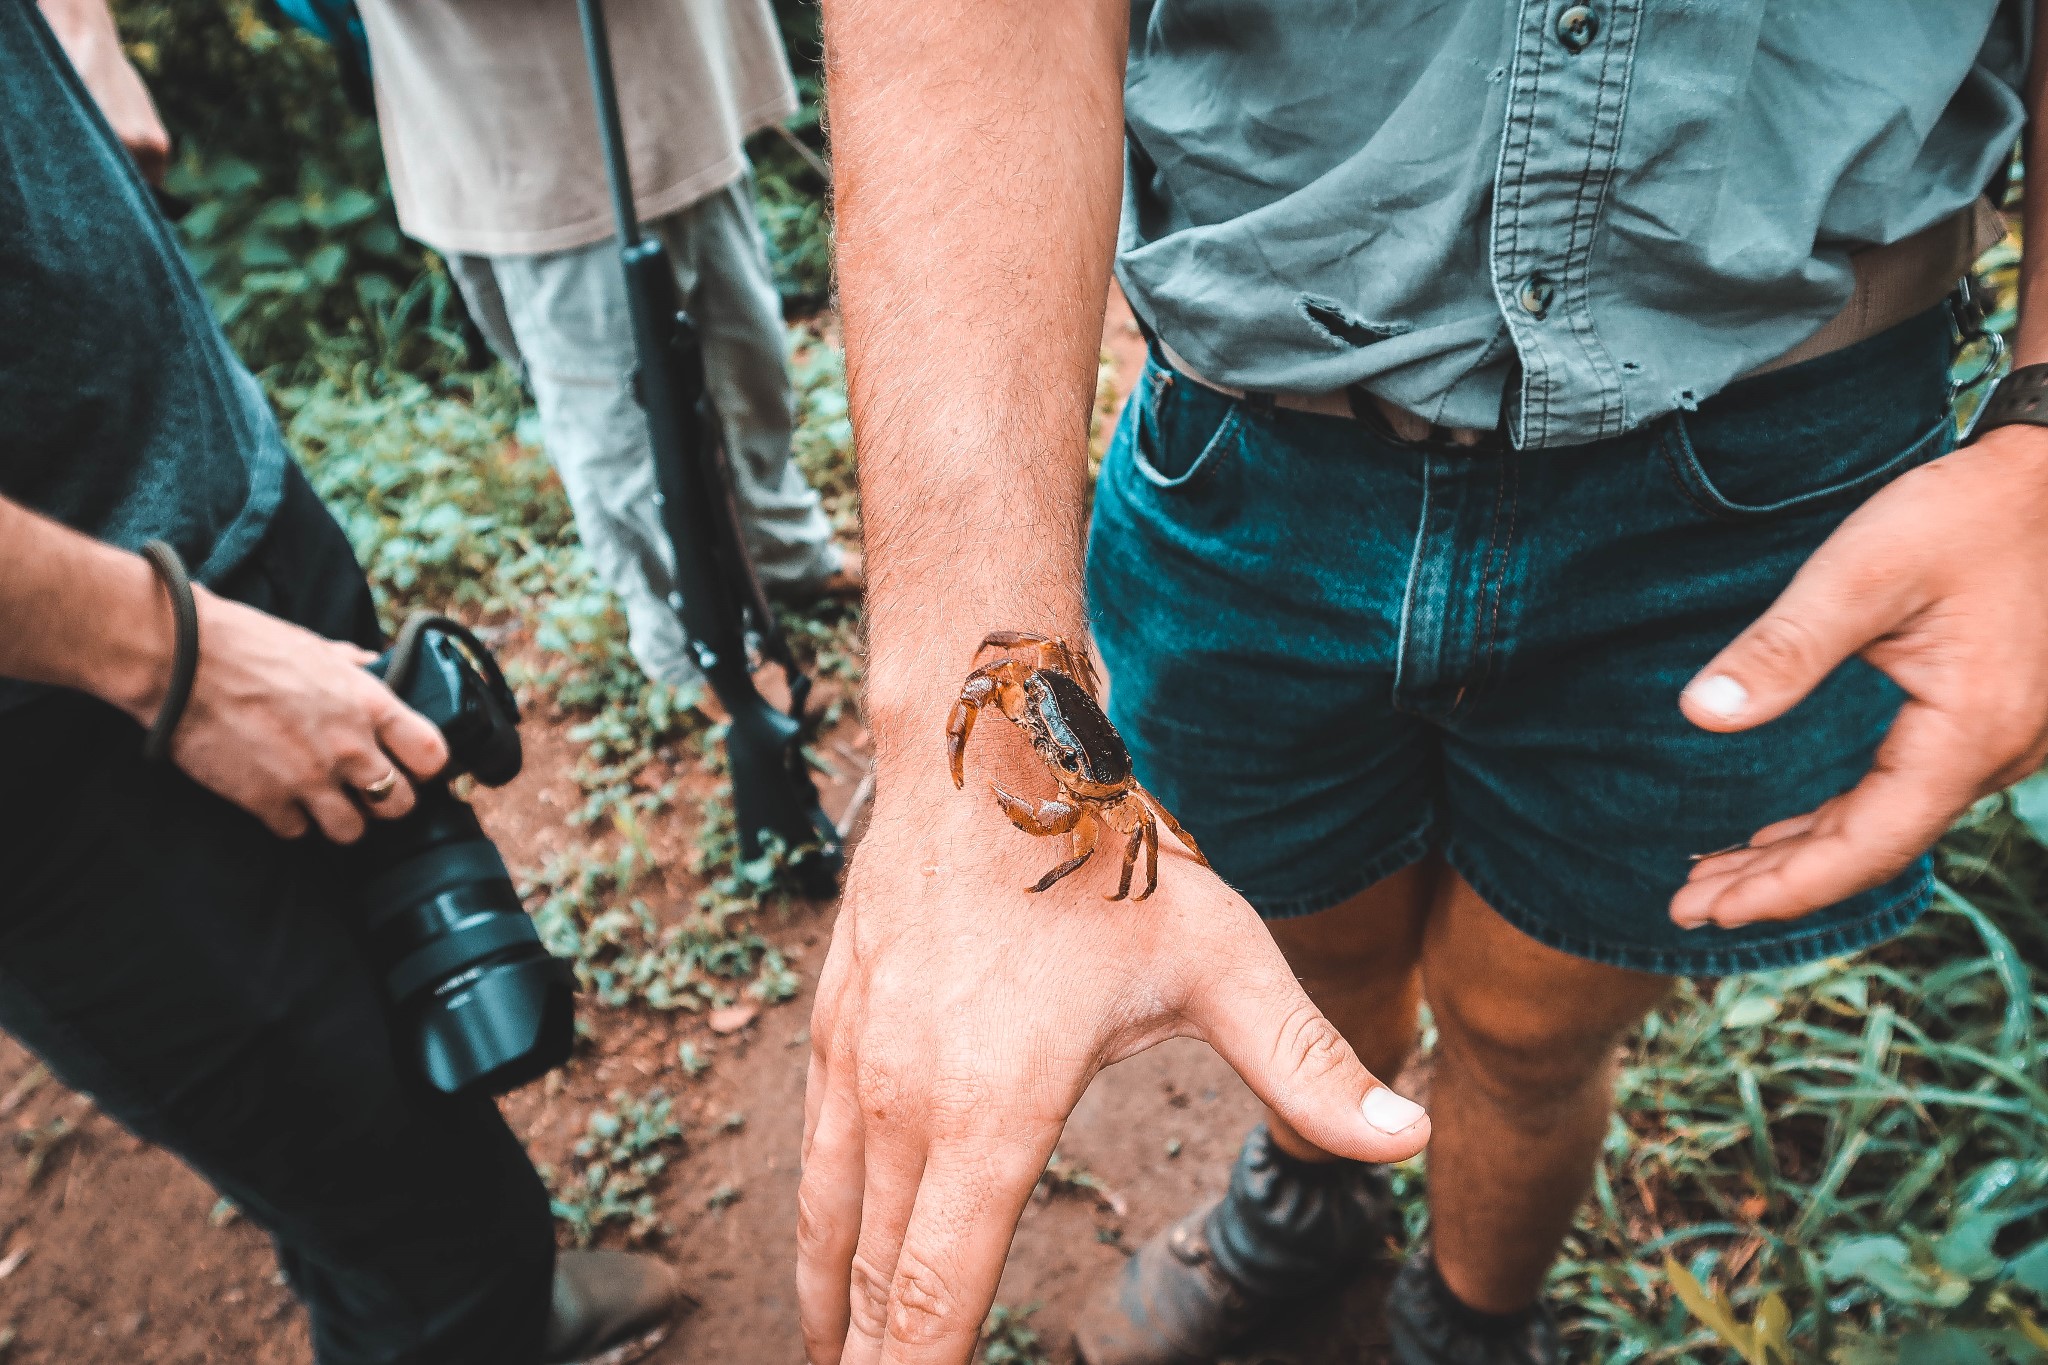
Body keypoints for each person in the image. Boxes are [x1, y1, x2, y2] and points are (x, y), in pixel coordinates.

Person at [796, 2, 2048, 1364]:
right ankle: (1312, 1190)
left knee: (1531, 1026)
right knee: (1300, 935)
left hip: (1772, 473)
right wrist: (954, 737)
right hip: (1254, 436)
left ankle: (1471, 1320)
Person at [2, 1, 678, 1360]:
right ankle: (472, 1291)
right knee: (401, 1211)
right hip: (57, 726)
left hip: (224, 497)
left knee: (417, 973)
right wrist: (170, 660)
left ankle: (503, 1283)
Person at [351, 0, 854, 697]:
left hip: (683, 87)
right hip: (529, 129)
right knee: (622, 432)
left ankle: (784, 553)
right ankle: (697, 649)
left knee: (750, 359)